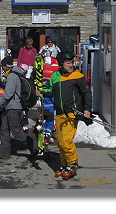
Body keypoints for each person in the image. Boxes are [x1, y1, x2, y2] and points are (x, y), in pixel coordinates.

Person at [48, 52, 92, 180]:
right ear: (61, 64)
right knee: (61, 143)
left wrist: (87, 109)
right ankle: (65, 164)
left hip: (72, 113)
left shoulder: (77, 76)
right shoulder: (55, 77)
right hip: (60, 113)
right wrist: (44, 90)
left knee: (67, 141)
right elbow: (51, 93)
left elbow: (86, 93)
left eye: (72, 62)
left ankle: (72, 163)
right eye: (68, 63)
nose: (71, 65)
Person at [0, 56, 37, 160]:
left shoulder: (12, 76)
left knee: (16, 132)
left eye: (2, 65)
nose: (2, 67)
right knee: (4, 130)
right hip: (9, 107)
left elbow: (8, 94)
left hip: (13, 107)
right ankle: (4, 154)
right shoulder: (14, 74)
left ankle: (34, 146)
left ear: (5, 66)